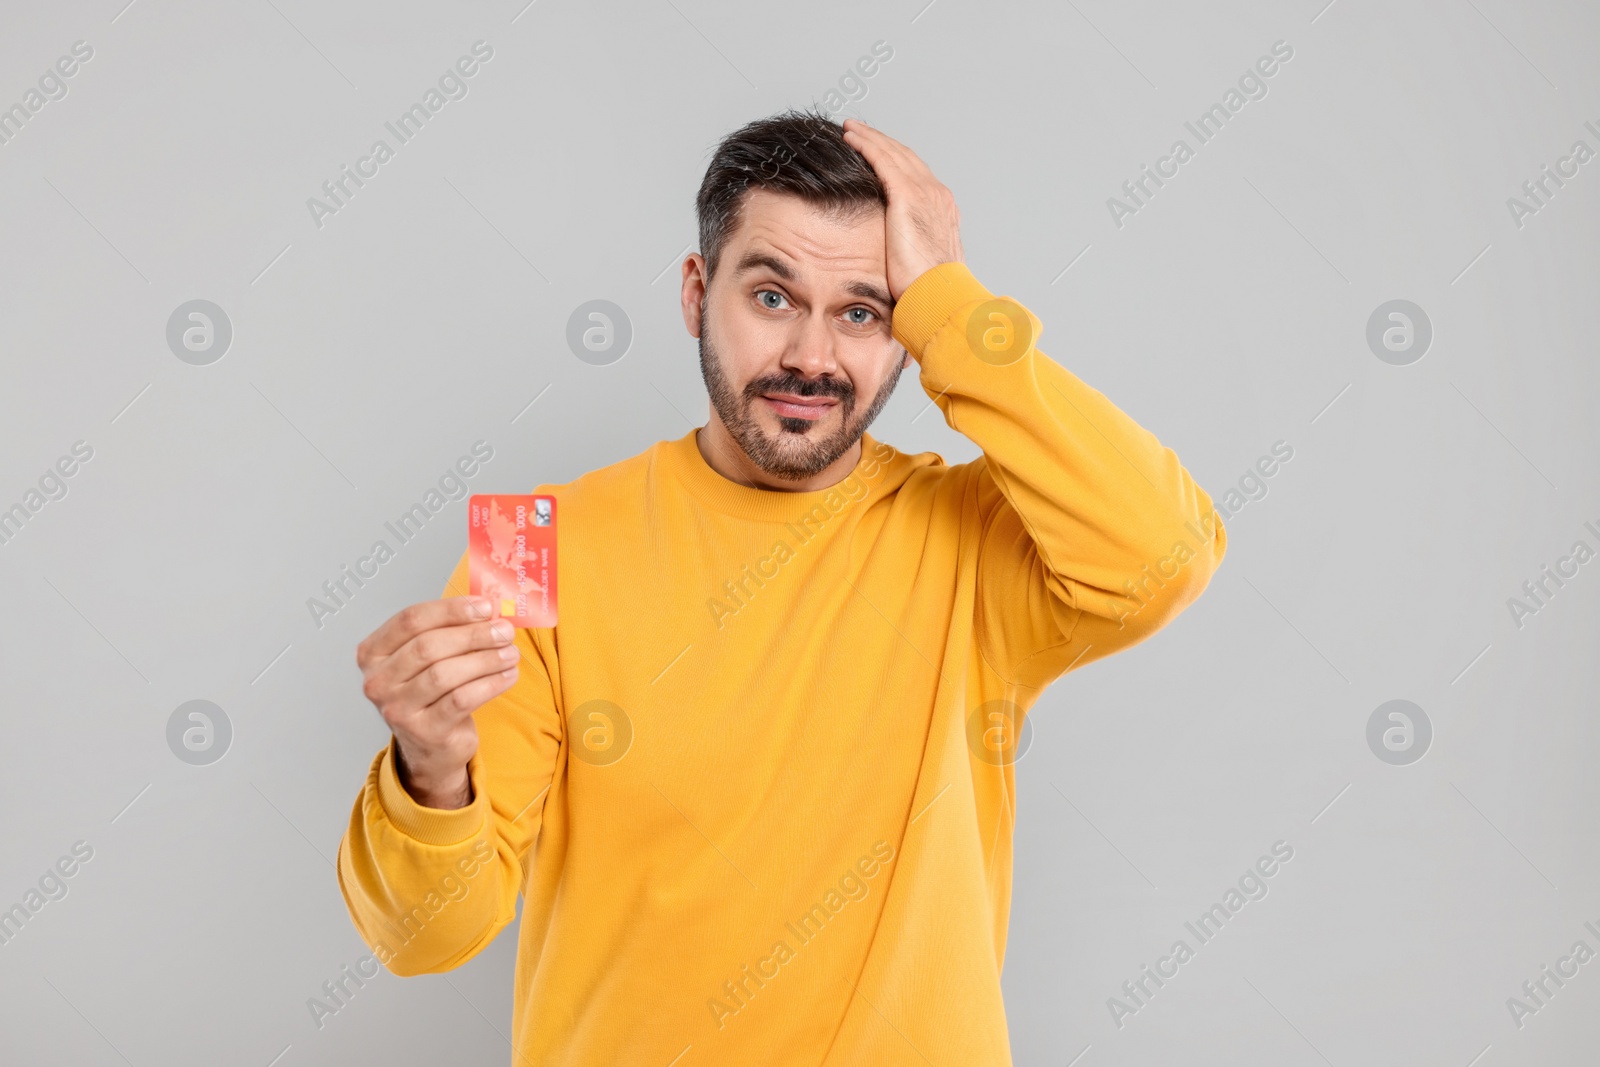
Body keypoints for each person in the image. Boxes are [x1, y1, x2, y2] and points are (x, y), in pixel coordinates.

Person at [338, 107, 1226, 1065]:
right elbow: (425, 937)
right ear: (695, 292)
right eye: (772, 296)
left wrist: (950, 304)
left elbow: (1164, 551)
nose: (812, 354)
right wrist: (430, 773)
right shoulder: (531, 545)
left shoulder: (974, 540)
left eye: (863, 311)